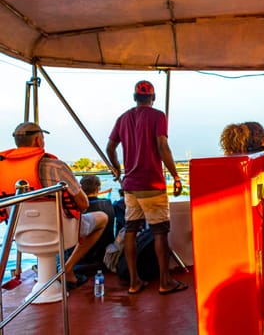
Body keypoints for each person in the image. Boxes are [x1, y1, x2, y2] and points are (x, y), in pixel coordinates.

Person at [0, 122, 108, 291]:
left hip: (20, 235)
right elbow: (83, 205)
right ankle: (67, 268)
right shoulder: (56, 166)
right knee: (102, 217)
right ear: (37, 140)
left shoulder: (1, 169)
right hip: (61, 233)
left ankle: (48, 277)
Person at [106, 80, 187, 295]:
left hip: (130, 187)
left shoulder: (123, 118)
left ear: (135, 97)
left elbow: (110, 147)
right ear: (153, 98)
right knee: (159, 232)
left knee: (131, 231)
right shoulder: (158, 116)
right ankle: (165, 282)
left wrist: (117, 169)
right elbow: (162, 145)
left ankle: (134, 282)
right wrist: (176, 176)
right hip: (151, 184)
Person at [78, 174, 115, 267]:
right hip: (104, 256)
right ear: (98, 188)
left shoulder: (78, 209)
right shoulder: (109, 204)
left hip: (82, 257)